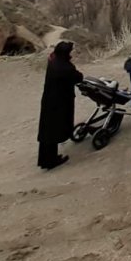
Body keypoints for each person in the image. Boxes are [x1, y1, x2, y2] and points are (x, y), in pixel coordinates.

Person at [37, 40, 84, 170]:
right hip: (60, 102)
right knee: (54, 131)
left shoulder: (53, 60)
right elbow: (78, 77)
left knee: (47, 132)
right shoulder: (65, 67)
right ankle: (51, 160)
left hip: (48, 100)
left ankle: (45, 160)